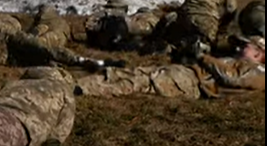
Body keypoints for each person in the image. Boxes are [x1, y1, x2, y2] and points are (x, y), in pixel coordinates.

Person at [0, 0, 122, 71]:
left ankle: (85, 61)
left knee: (46, 49)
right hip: (7, 58)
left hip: (12, 41)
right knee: (46, 63)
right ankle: (76, 67)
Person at [75, 35, 265, 99]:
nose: (241, 47)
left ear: (259, 53)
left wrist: (203, 57)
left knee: (140, 81)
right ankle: (73, 81)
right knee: (132, 72)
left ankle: (79, 89)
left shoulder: (257, 73)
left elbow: (230, 78)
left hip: (192, 83)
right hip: (188, 73)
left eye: (247, 46)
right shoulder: (245, 64)